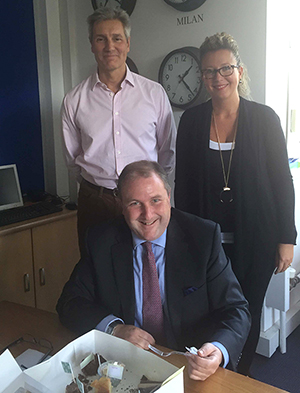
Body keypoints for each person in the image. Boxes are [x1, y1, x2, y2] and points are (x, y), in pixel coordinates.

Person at [57, 160, 250, 381]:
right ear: (121, 204)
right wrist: (114, 329)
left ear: (168, 196)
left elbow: (236, 309)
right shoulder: (101, 240)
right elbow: (69, 302)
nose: (147, 215)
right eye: (135, 203)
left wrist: (218, 349)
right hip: (125, 366)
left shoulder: (203, 237)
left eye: (155, 200)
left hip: (188, 368)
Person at [174, 32, 297, 376]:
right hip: (205, 242)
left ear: (239, 71)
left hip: (256, 240)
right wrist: (181, 237)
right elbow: (181, 184)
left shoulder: (265, 119)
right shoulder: (192, 121)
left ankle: (239, 377)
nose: (218, 78)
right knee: (207, 311)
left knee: (247, 311)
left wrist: (287, 237)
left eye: (225, 68)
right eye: (210, 71)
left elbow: (282, 182)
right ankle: (209, 372)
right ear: (202, 76)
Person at [61, 8, 176, 253]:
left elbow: (167, 152)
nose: (109, 46)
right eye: (101, 38)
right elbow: (73, 160)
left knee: (150, 268)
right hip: (96, 202)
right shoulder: (74, 100)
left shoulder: (154, 94)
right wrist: (98, 189)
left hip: (146, 204)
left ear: (128, 43)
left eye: (116, 38)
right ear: (92, 44)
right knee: (98, 275)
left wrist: (153, 193)